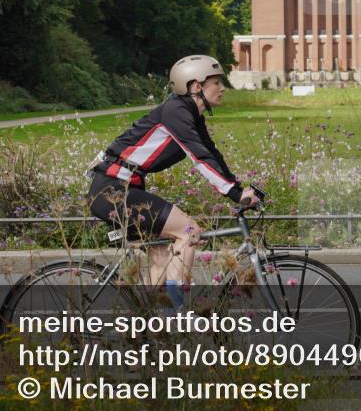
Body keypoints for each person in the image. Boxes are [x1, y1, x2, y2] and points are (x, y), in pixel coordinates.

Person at [86, 55, 258, 304]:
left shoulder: (189, 114)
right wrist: (234, 194)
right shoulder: (175, 112)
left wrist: (237, 189)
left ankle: (151, 323)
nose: (222, 88)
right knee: (189, 231)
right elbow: (198, 158)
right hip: (111, 191)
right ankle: (178, 318)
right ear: (197, 86)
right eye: (216, 82)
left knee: (162, 251)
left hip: (121, 190)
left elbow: (210, 154)